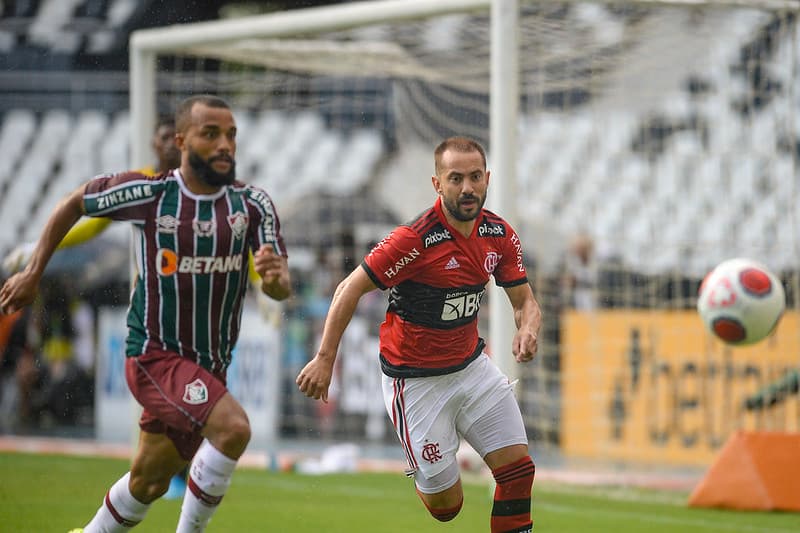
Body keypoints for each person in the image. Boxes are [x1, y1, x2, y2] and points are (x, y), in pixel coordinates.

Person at [0, 94, 291, 532]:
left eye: (230, 134)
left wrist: (273, 280)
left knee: (149, 480)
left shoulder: (253, 206)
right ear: (181, 141)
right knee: (233, 429)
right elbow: (74, 202)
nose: (224, 144)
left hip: (210, 365)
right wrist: (34, 271)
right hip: (155, 355)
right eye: (210, 134)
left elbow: (279, 285)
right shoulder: (152, 194)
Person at [297, 136, 541, 532]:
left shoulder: (498, 233)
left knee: (518, 471)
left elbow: (525, 301)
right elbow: (349, 288)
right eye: (456, 178)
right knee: (447, 508)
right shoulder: (414, 239)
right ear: (437, 184)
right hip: (415, 383)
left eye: (475, 177)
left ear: (487, 178)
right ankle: (425, 463)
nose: (467, 188)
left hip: (471, 368)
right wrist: (325, 359)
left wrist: (527, 329)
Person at [1, 114, 191, 499]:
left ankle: (167, 475)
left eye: (177, 136)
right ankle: (167, 476)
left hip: (201, 311)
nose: (170, 142)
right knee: (193, 409)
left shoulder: (209, 192)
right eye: (163, 135)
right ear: (155, 144)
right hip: (154, 313)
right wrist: (35, 254)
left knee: (195, 411)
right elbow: (87, 217)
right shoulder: (142, 185)